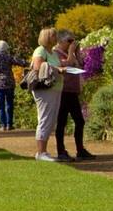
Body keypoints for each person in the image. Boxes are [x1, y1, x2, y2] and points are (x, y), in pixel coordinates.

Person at [53, 33, 94, 161]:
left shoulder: (70, 53)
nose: (71, 44)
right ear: (60, 41)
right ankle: (61, 150)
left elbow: (81, 65)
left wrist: (76, 52)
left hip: (72, 91)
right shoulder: (56, 53)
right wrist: (71, 51)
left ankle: (80, 149)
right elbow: (66, 65)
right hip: (63, 91)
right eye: (69, 41)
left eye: (73, 41)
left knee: (79, 121)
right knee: (61, 122)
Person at [29, 28, 68, 162]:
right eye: (53, 35)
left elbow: (62, 64)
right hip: (44, 89)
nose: (55, 37)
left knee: (50, 120)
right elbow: (38, 67)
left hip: (55, 88)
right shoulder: (40, 50)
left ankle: (43, 151)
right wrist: (58, 69)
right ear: (46, 37)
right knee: (45, 119)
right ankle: (41, 152)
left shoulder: (53, 52)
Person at [0, 40, 26, 131]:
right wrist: (29, 63)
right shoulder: (7, 56)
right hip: (9, 84)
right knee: (9, 104)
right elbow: (20, 62)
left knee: (1, 105)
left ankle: (2, 125)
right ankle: (9, 124)